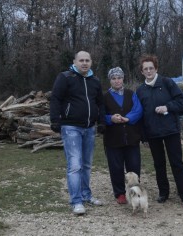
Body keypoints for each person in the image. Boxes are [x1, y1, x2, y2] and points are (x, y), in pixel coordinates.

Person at [50, 51, 105, 215]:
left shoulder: (95, 81)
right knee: (75, 166)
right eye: (81, 60)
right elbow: (55, 98)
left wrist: (101, 122)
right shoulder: (66, 77)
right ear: (74, 61)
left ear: (91, 62)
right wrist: (55, 119)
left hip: (89, 128)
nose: (84, 63)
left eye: (87, 60)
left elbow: (100, 103)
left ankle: (86, 195)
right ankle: (76, 201)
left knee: (87, 165)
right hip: (70, 127)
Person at [136, 54, 183, 209]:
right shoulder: (140, 91)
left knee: (177, 164)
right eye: (145, 69)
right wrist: (143, 136)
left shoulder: (167, 83)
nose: (148, 71)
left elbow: (181, 101)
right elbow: (140, 114)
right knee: (159, 164)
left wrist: (168, 107)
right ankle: (163, 192)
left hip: (171, 130)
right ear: (142, 71)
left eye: (151, 68)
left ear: (156, 69)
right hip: (153, 133)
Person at [103, 67, 143, 204]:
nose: (117, 80)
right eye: (114, 78)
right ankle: (119, 193)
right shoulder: (105, 97)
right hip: (113, 139)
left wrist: (129, 118)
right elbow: (100, 115)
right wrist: (110, 119)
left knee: (134, 166)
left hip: (131, 137)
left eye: (119, 77)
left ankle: (135, 190)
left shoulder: (131, 94)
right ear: (110, 80)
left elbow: (138, 110)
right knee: (116, 167)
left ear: (123, 78)